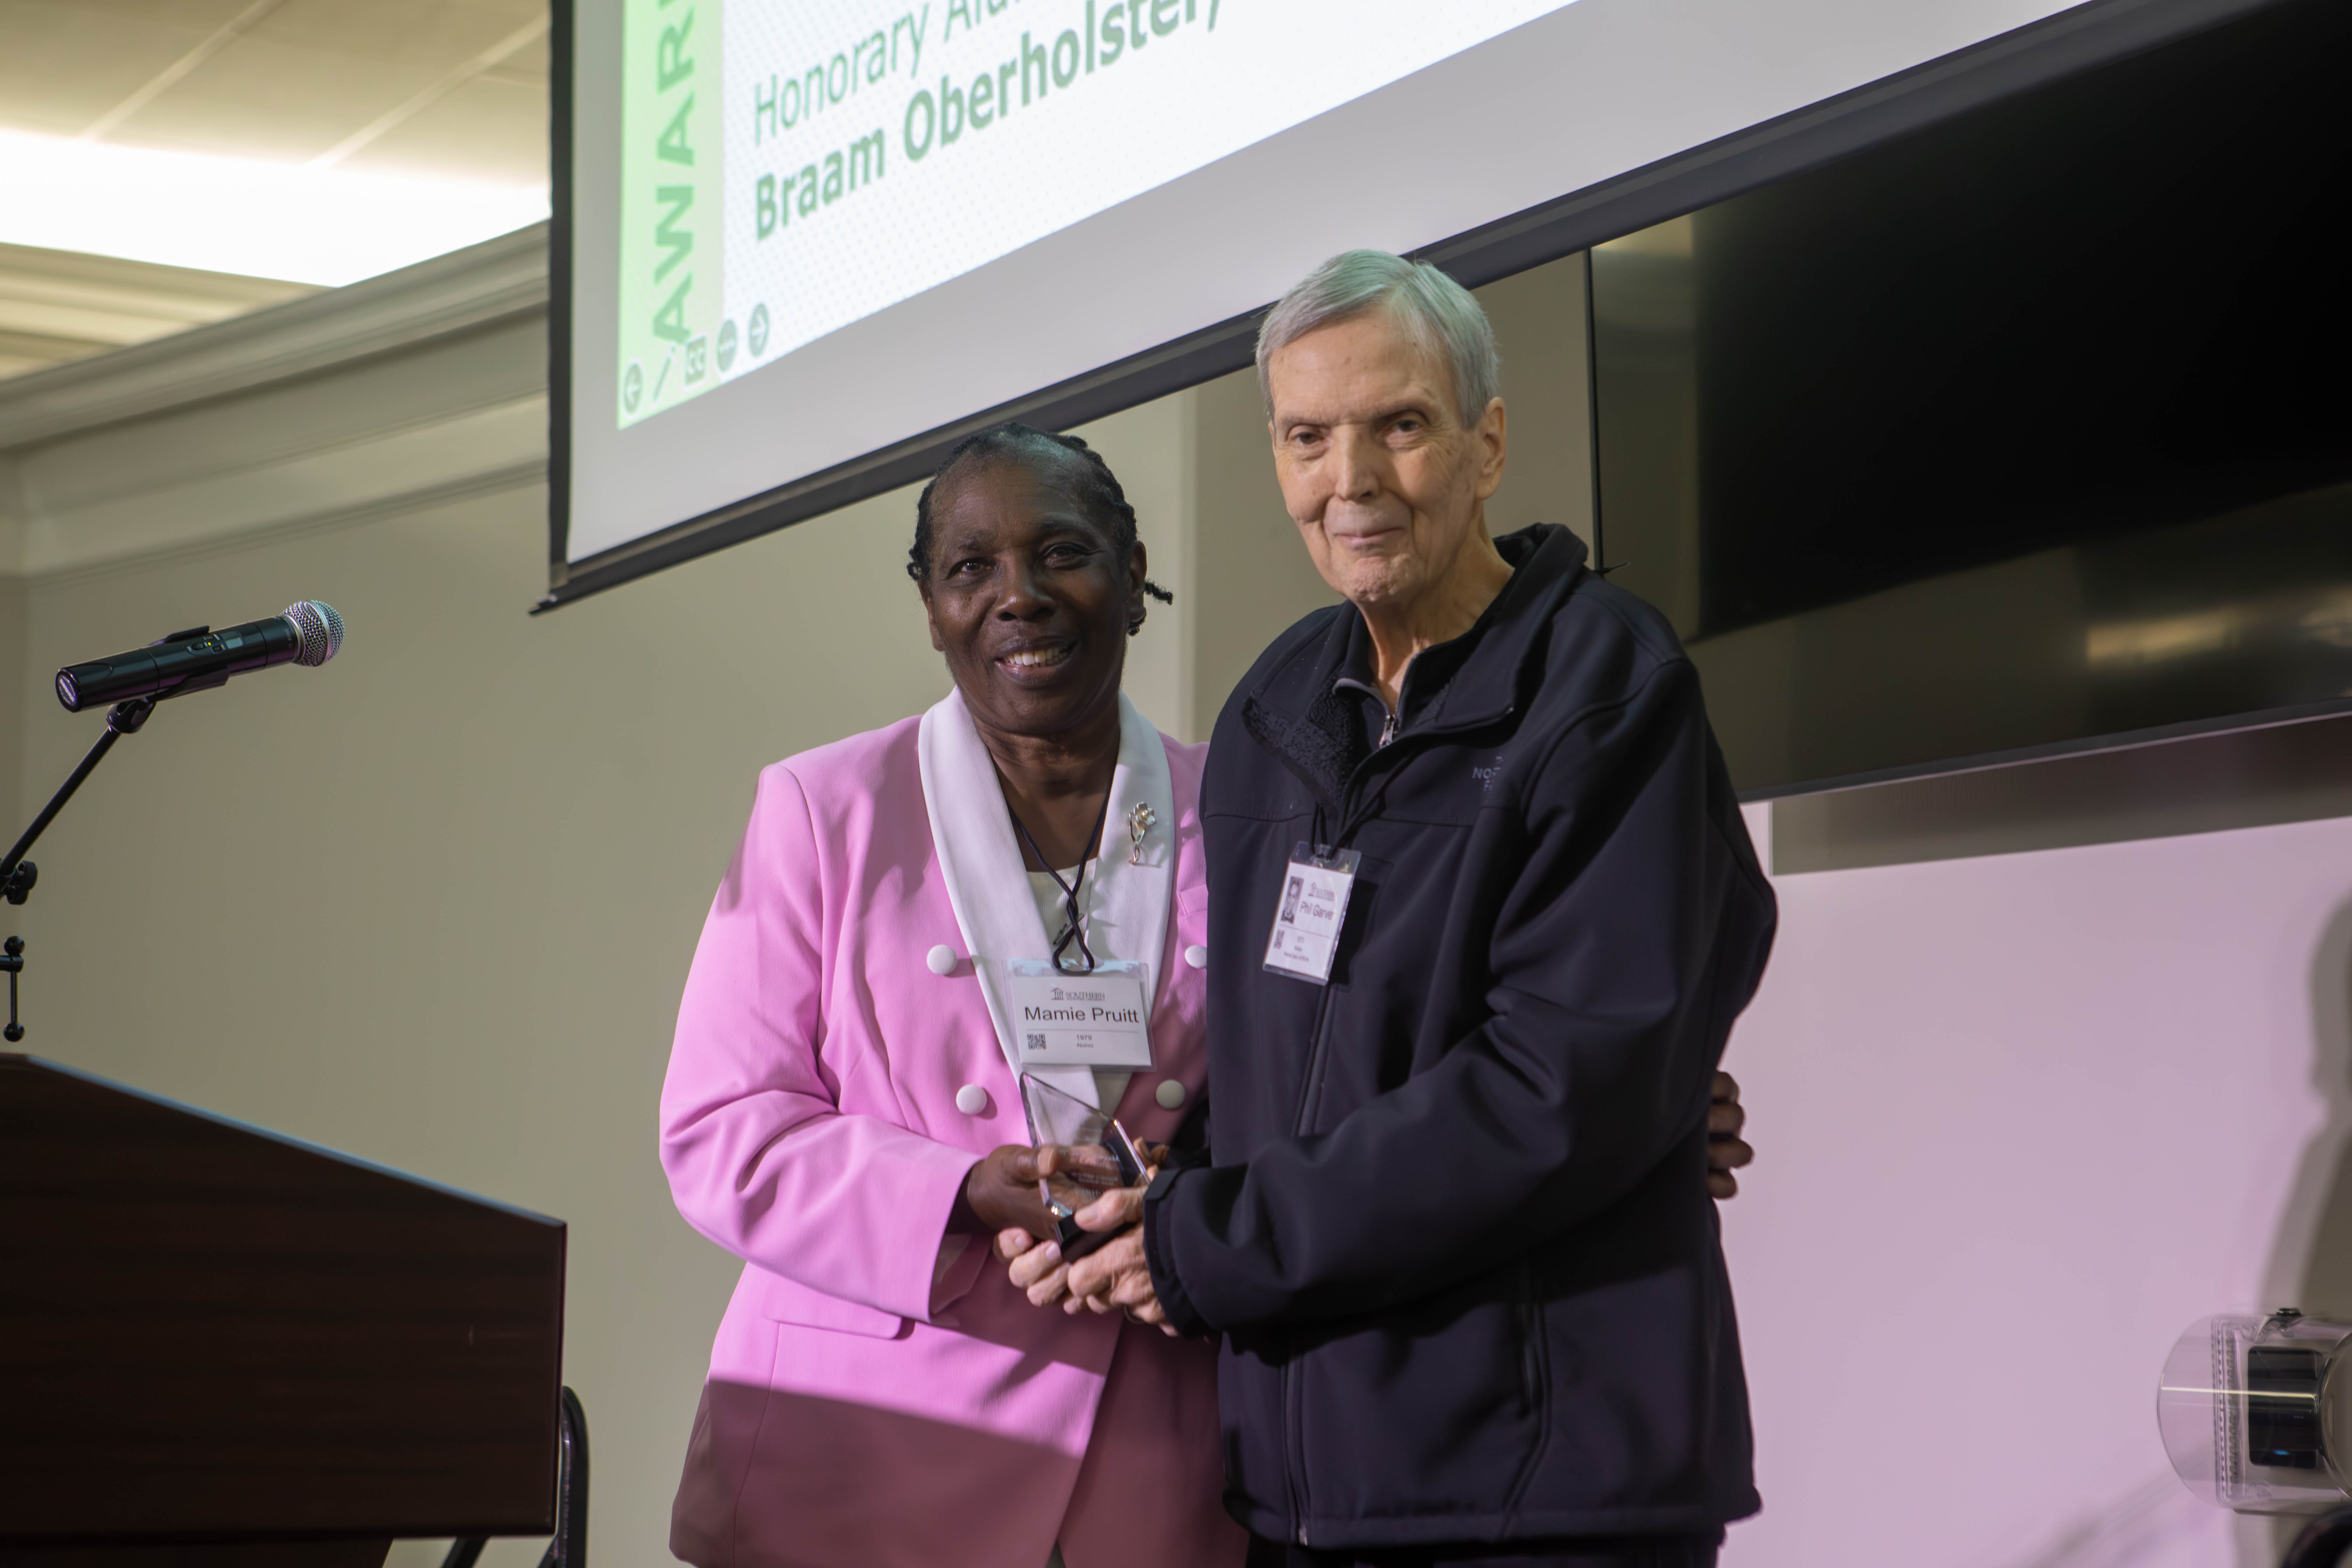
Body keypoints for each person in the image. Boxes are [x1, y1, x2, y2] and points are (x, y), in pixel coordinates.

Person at [1027, 250, 1778, 1568]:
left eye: (1401, 427)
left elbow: (1558, 1087)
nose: (1352, 481)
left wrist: (1217, 1243)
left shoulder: (1610, 691)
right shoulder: (1274, 712)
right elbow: (1282, 1067)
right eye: (1309, 438)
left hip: (1540, 1493)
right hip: (1308, 1490)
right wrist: (1147, 1211)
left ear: (1488, 444)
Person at [658, 424, 1244, 1568]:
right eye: (972, 567)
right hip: (862, 1457)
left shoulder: (1238, 809)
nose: (1017, 596)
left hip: (1150, 1464)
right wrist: (963, 1192)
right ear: (931, 607)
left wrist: (1189, 1207)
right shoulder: (825, 810)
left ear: (1133, 579)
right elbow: (721, 1130)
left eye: (1062, 552)